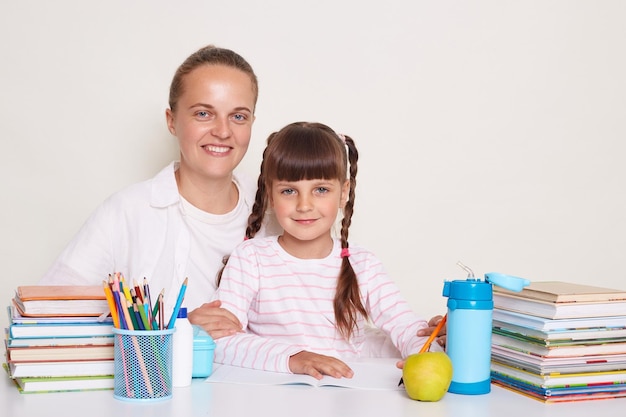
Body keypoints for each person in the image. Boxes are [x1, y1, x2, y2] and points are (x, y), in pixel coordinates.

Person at [38, 45, 446, 344]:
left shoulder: (284, 206)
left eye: (238, 116)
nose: (222, 131)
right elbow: (48, 318)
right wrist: (172, 328)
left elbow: (327, 326)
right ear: (170, 120)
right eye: (202, 113)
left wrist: (416, 338)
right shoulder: (126, 212)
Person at [212, 122, 442, 379]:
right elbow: (222, 341)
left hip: (345, 396)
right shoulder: (250, 258)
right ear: (270, 195)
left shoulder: (362, 264)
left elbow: (405, 325)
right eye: (289, 191)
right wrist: (294, 358)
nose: (304, 205)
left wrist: (428, 352)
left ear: (343, 192)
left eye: (321, 190)